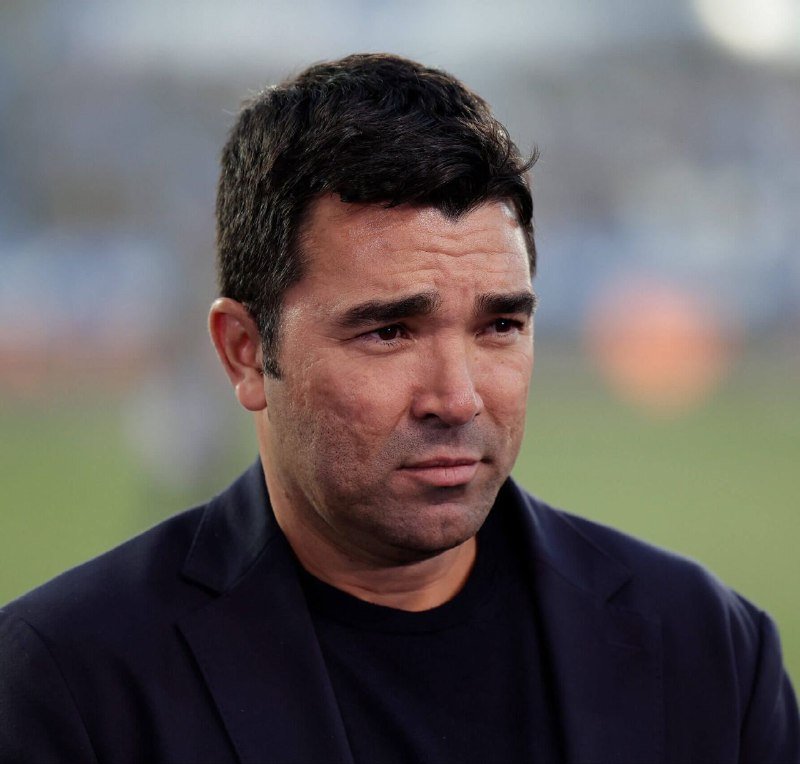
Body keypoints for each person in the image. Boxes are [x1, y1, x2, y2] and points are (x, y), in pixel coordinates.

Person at [0, 53, 797, 764]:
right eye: (389, 331)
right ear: (245, 351)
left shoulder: (710, 652)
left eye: (499, 326)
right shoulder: (67, 683)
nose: (457, 396)